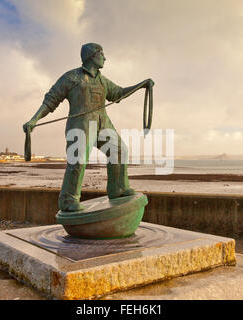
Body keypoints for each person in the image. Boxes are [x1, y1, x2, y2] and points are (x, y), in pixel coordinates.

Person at [23, 43, 154, 212]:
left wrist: (141, 85)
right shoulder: (72, 77)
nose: (105, 58)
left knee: (119, 150)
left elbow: (118, 93)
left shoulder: (102, 80)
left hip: (103, 123)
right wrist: (34, 120)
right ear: (92, 56)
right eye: (102, 55)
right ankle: (68, 200)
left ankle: (118, 189)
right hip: (80, 125)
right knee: (78, 161)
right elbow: (51, 100)